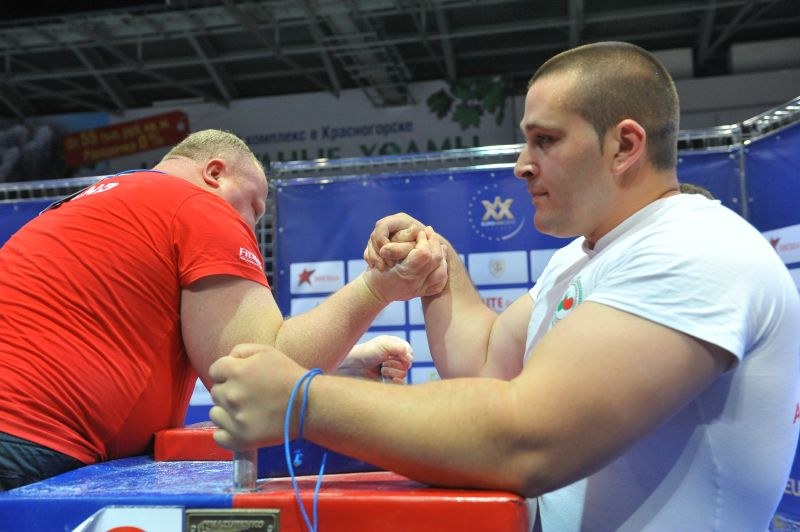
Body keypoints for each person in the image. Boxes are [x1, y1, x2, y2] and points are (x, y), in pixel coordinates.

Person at [208, 42, 800, 531]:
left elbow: (527, 441)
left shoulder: (692, 250)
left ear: (624, 145)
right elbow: (485, 362)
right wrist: (438, 265)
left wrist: (302, 400)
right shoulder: (586, 255)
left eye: (545, 140)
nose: (521, 163)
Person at [0, 129, 447, 490]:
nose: (251, 224)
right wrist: (377, 288)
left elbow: (219, 346)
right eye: (253, 207)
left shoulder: (81, 206)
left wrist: (340, 362)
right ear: (214, 173)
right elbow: (257, 372)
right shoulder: (197, 205)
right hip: (26, 444)